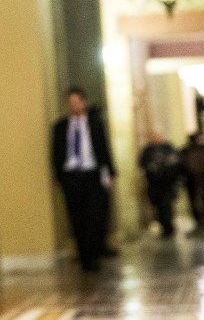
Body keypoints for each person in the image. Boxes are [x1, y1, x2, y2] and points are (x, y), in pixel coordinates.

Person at [51, 86, 116, 272]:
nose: (73, 106)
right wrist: (60, 177)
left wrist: (110, 173)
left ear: (83, 102)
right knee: (76, 218)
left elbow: (104, 150)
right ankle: (84, 257)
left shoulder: (95, 124)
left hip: (92, 175)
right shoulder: (60, 127)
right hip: (71, 177)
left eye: (77, 101)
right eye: (70, 102)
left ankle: (94, 255)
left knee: (95, 217)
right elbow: (56, 154)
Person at [138, 130, 182, 237]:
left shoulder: (167, 147)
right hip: (154, 184)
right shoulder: (148, 150)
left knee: (167, 205)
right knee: (158, 206)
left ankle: (169, 226)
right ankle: (164, 226)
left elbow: (176, 160)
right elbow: (142, 163)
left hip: (167, 183)